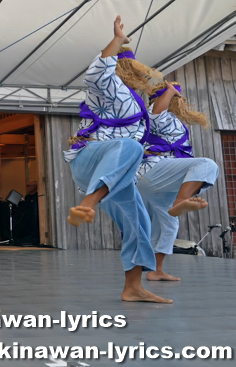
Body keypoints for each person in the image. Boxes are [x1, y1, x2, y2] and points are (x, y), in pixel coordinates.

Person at [64, 16, 170, 303]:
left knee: (139, 222)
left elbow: (154, 121)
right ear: (124, 69)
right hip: (92, 159)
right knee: (131, 147)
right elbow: (96, 75)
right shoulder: (110, 88)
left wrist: (170, 93)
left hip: (116, 174)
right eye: (132, 67)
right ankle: (87, 204)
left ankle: (133, 287)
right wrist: (116, 42)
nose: (139, 73)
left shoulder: (136, 101)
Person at [136, 81, 217, 281]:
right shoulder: (153, 113)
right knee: (208, 165)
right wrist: (170, 90)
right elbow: (156, 114)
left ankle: (156, 270)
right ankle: (181, 200)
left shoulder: (172, 120)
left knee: (168, 225)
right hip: (154, 170)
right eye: (175, 98)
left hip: (157, 181)